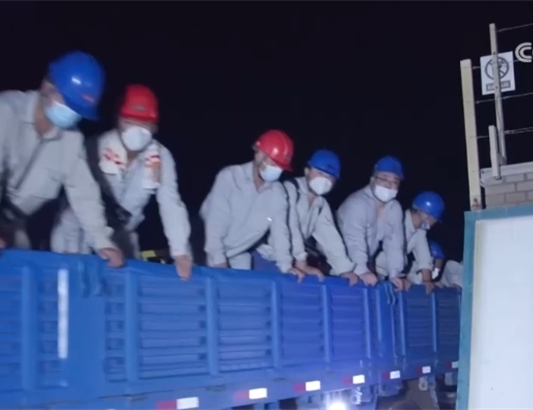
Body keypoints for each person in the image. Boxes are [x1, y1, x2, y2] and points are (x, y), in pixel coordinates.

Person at [0, 51, 123, 268]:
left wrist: (103, 243)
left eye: (78, 110)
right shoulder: (4, 110)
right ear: (47, 86)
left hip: (11, 225)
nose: (72, 113)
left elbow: (85, 192)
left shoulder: (72, 139)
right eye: (68, 102)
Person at [51, 84, 193, 280]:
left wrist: (180, 251)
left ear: (155, 126)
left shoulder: (161, 157)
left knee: (125, 285)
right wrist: (76, 249)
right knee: (72, 283)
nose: (137, 129)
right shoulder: (94, 148)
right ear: (118, 120)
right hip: (77, 231)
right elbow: (77, 203)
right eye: (129, 121)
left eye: (145, 123)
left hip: (123, 236)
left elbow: (171, 203)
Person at [200, 130, 306, 280]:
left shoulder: (278, 193)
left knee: (244, 287)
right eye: (273, 163)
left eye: (280, 166)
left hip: (238, 252)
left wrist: (286, 266)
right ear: (259, 154)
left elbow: (280, 232)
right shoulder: (230, 177)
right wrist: (219, 262)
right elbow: (214, 226)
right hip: (204, 244)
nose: (276, 169)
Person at [265, 149, 370, 286]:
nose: (324, 180)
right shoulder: (290, 189)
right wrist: (301, 262)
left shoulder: (321, 204)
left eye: (330, 177)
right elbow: (290, 227)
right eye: (320, 173)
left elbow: (330, 237)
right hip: (266, 255)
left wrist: (344, 270)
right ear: (307, 171)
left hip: (289, 262)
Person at [336, 156, 406, 290]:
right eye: (384, 178)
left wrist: (395, 274)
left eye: (395, 181)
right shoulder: (357, 203)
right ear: (372, 179)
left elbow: (395, 242)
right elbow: (353, 239)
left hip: (365, 263)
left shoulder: (394, 208)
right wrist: (361, 270)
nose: (389, 184)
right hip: (336, 263)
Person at [376, 191, 445, 294]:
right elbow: (392, 251)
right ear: (421, 211)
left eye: (435, 219)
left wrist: (427, 281)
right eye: (432, 218)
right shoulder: (399, 221)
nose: (433, 222)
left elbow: (424, 256)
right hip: (370, 270)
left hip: (384, 275)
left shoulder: (420, 231)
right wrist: (400, 278)